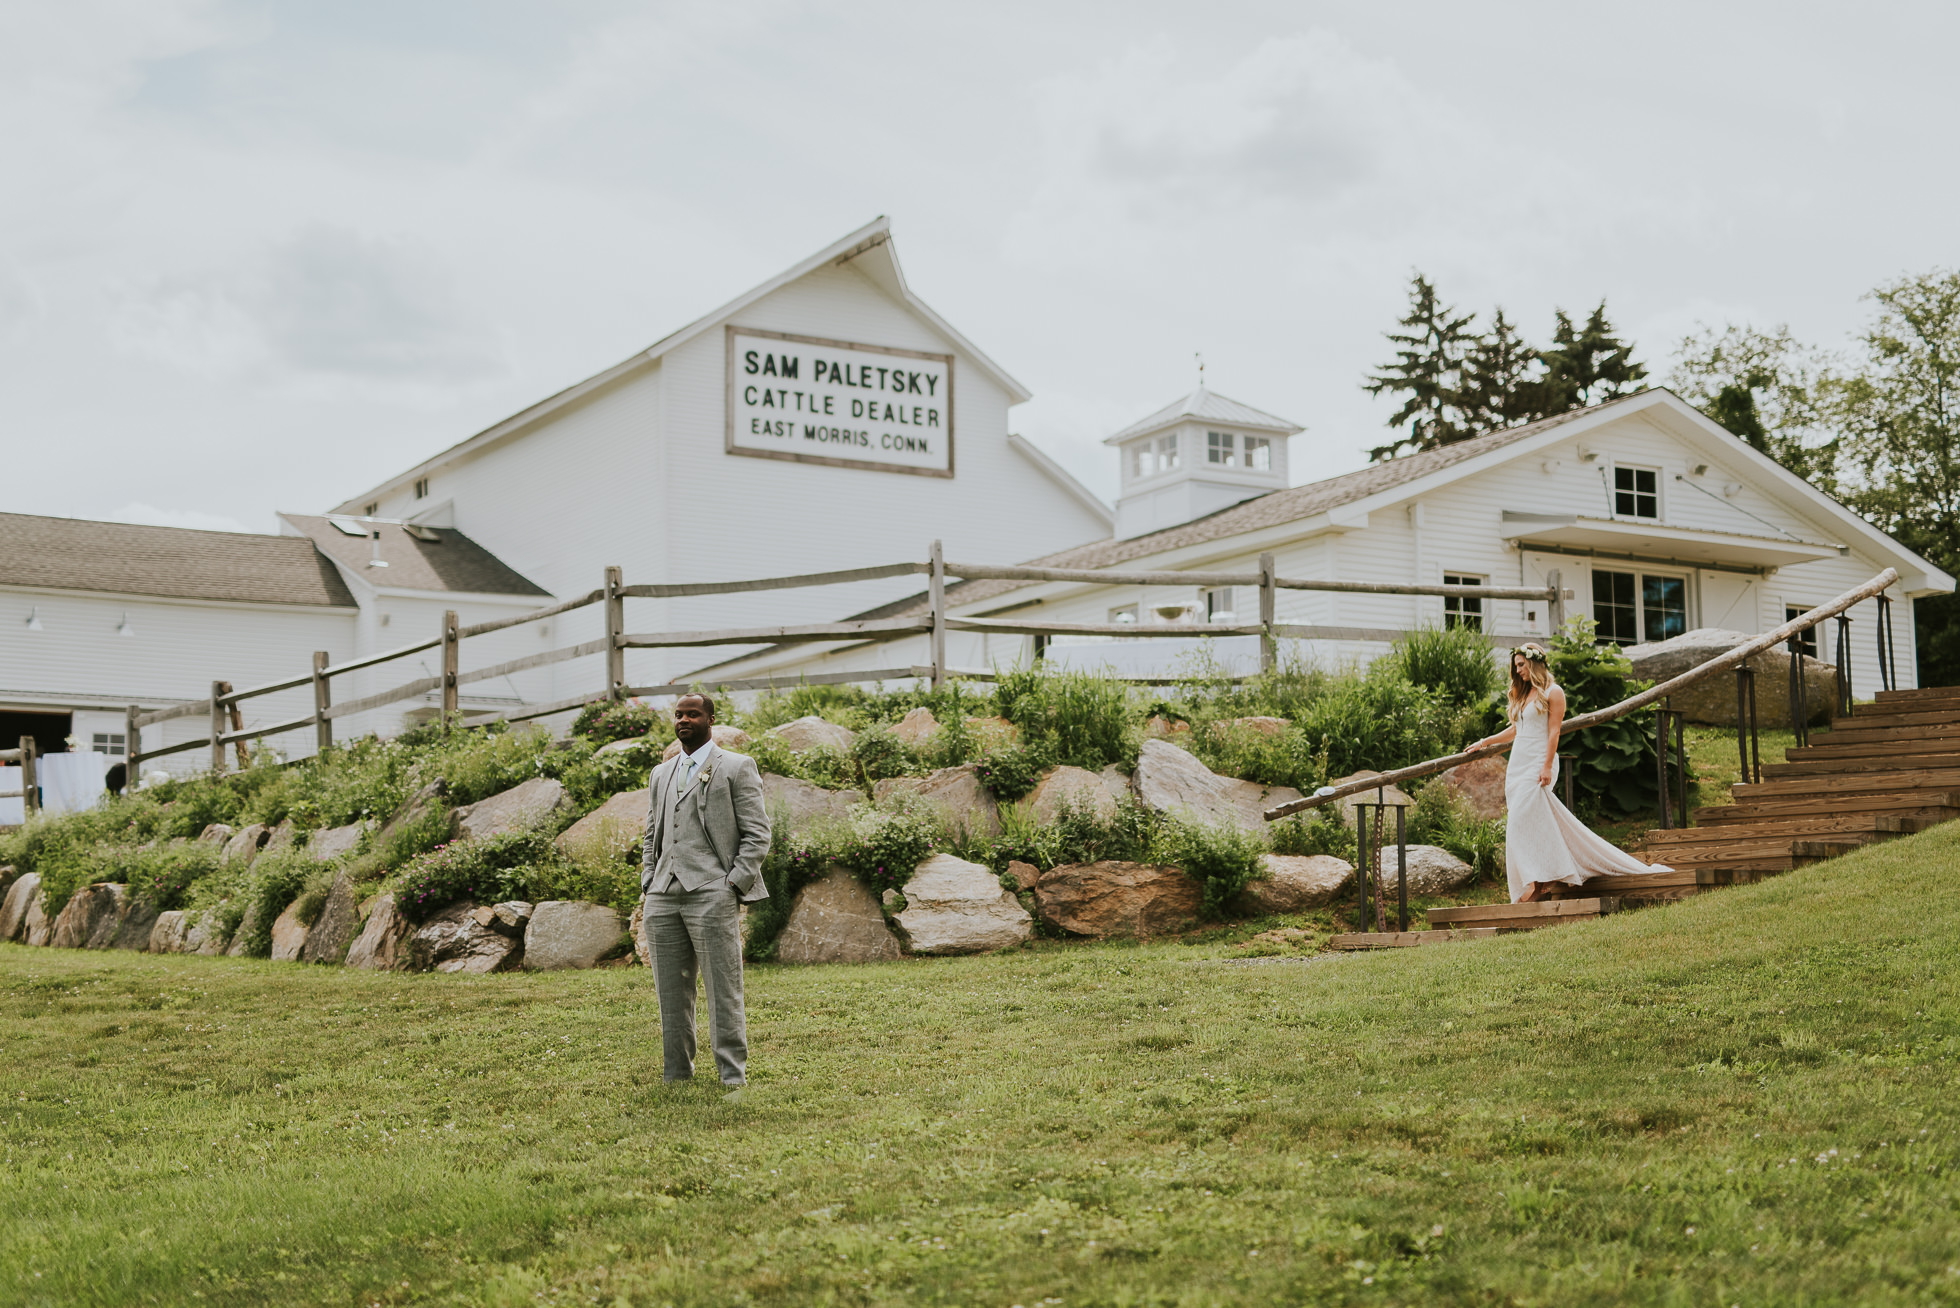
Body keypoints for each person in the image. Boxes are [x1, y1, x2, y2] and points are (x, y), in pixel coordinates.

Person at [1468, 643, 1672, 903]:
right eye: (1515, 666)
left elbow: (1554, 732)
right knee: (1525, 823)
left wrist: (1545, 766)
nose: (1517, 670)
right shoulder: (1525, 694)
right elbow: (1515, 730)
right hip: (1518, 765)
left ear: (1535, 663)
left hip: (1538, 762)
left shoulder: (1554, 692)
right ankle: (1540, 878)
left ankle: (1542, 882)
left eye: (1521, 665)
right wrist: (1484, 742)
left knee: (1523, 820)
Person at [641, 693, 772, 1093]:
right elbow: (652, 834)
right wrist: (649, 877)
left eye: (692, 713)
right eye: (678, 714)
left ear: (711, 718)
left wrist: (732, 882)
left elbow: (758, 833)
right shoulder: (660, 774)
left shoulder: (736, 766)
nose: (684, 719)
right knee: (670, 991)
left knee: (723, 987)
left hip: (712, 891)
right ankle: (676, 1073)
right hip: (662, 894)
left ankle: (733, 1075)